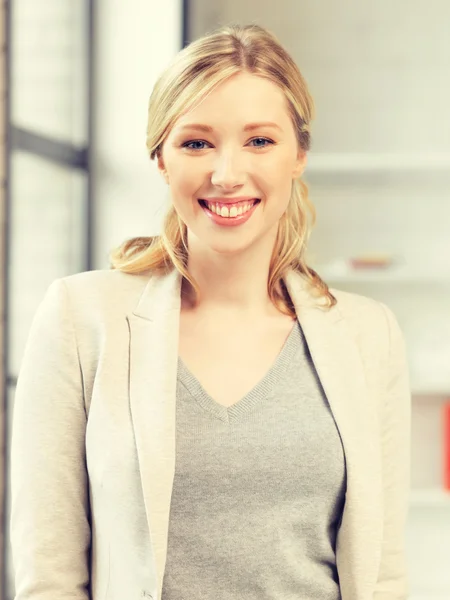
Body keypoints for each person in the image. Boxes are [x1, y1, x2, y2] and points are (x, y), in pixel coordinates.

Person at [10, 23, 411, 600]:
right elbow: (49, 578)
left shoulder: (371, 335)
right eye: (196, 142)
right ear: (162, 160)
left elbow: (383, 575)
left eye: (260, 141)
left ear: (299, 155)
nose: (227, 174)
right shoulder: (80, 319)